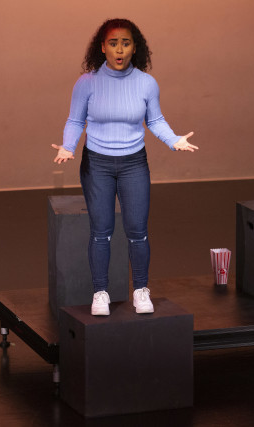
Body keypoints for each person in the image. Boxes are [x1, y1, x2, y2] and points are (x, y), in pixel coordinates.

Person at [52, 18, 198, 316]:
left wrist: (173, 140)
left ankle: (141, 290)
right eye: (113, 43)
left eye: (126, 43)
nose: (119, 50)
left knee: (137, 231)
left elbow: (155, 120)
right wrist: (68, 146)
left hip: (134, 164)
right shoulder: (87, 82)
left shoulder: (146, 83)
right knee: (101, 231)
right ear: (102, 47)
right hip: (97, 165)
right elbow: (75, 120)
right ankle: (100, 293)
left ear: (135, 48)